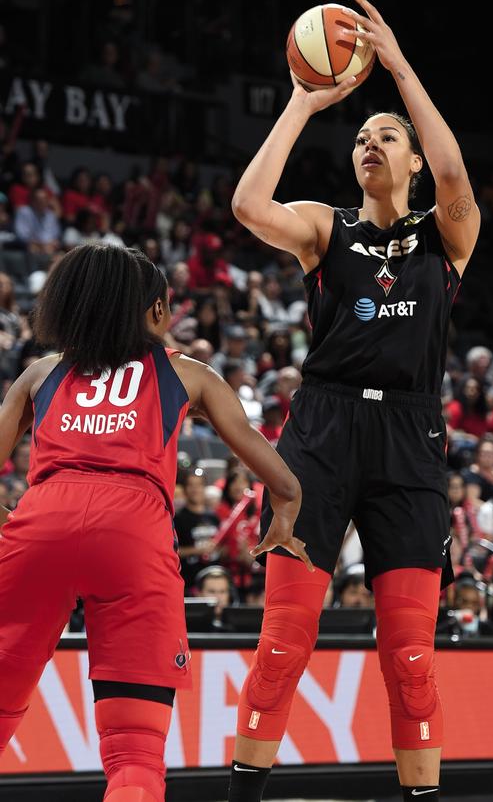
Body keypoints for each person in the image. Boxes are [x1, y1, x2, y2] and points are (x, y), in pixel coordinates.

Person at [228, 0, 480, 802]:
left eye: (388, 136)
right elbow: (247, 205)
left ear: (410, 163)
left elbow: (451, 172)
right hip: (323, 430)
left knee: (410, 660)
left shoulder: (447, 233)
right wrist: (305, 102)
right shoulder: (325, 227)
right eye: (363, 137)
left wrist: (399, 68)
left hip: (410, 436)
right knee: (281, 647)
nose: (371, 143)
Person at [0, 244, 308, 802]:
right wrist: (283, 518)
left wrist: (14, 526)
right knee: (135, 753)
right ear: (159, 313)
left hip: (41, 518)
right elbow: (283, 482)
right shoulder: (186, 374)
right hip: (134, 531)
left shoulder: (41, 372)